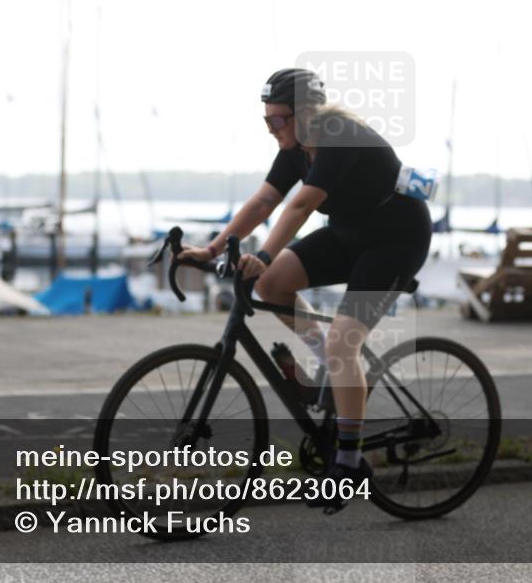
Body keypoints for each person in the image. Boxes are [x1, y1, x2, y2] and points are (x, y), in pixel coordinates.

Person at [178, 68, 432, 512]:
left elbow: (301, 204)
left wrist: (267, 252)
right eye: (267, 122)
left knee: (342, 341)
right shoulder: (295, 148)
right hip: (351, 233)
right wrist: (212, 248)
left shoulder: (339, 135)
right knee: (273, 285)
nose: (272, 130)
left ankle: (350, 462)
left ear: (306, 113)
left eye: (278, 121)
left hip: (397, 239)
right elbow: (263, 202)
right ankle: (326, 372)